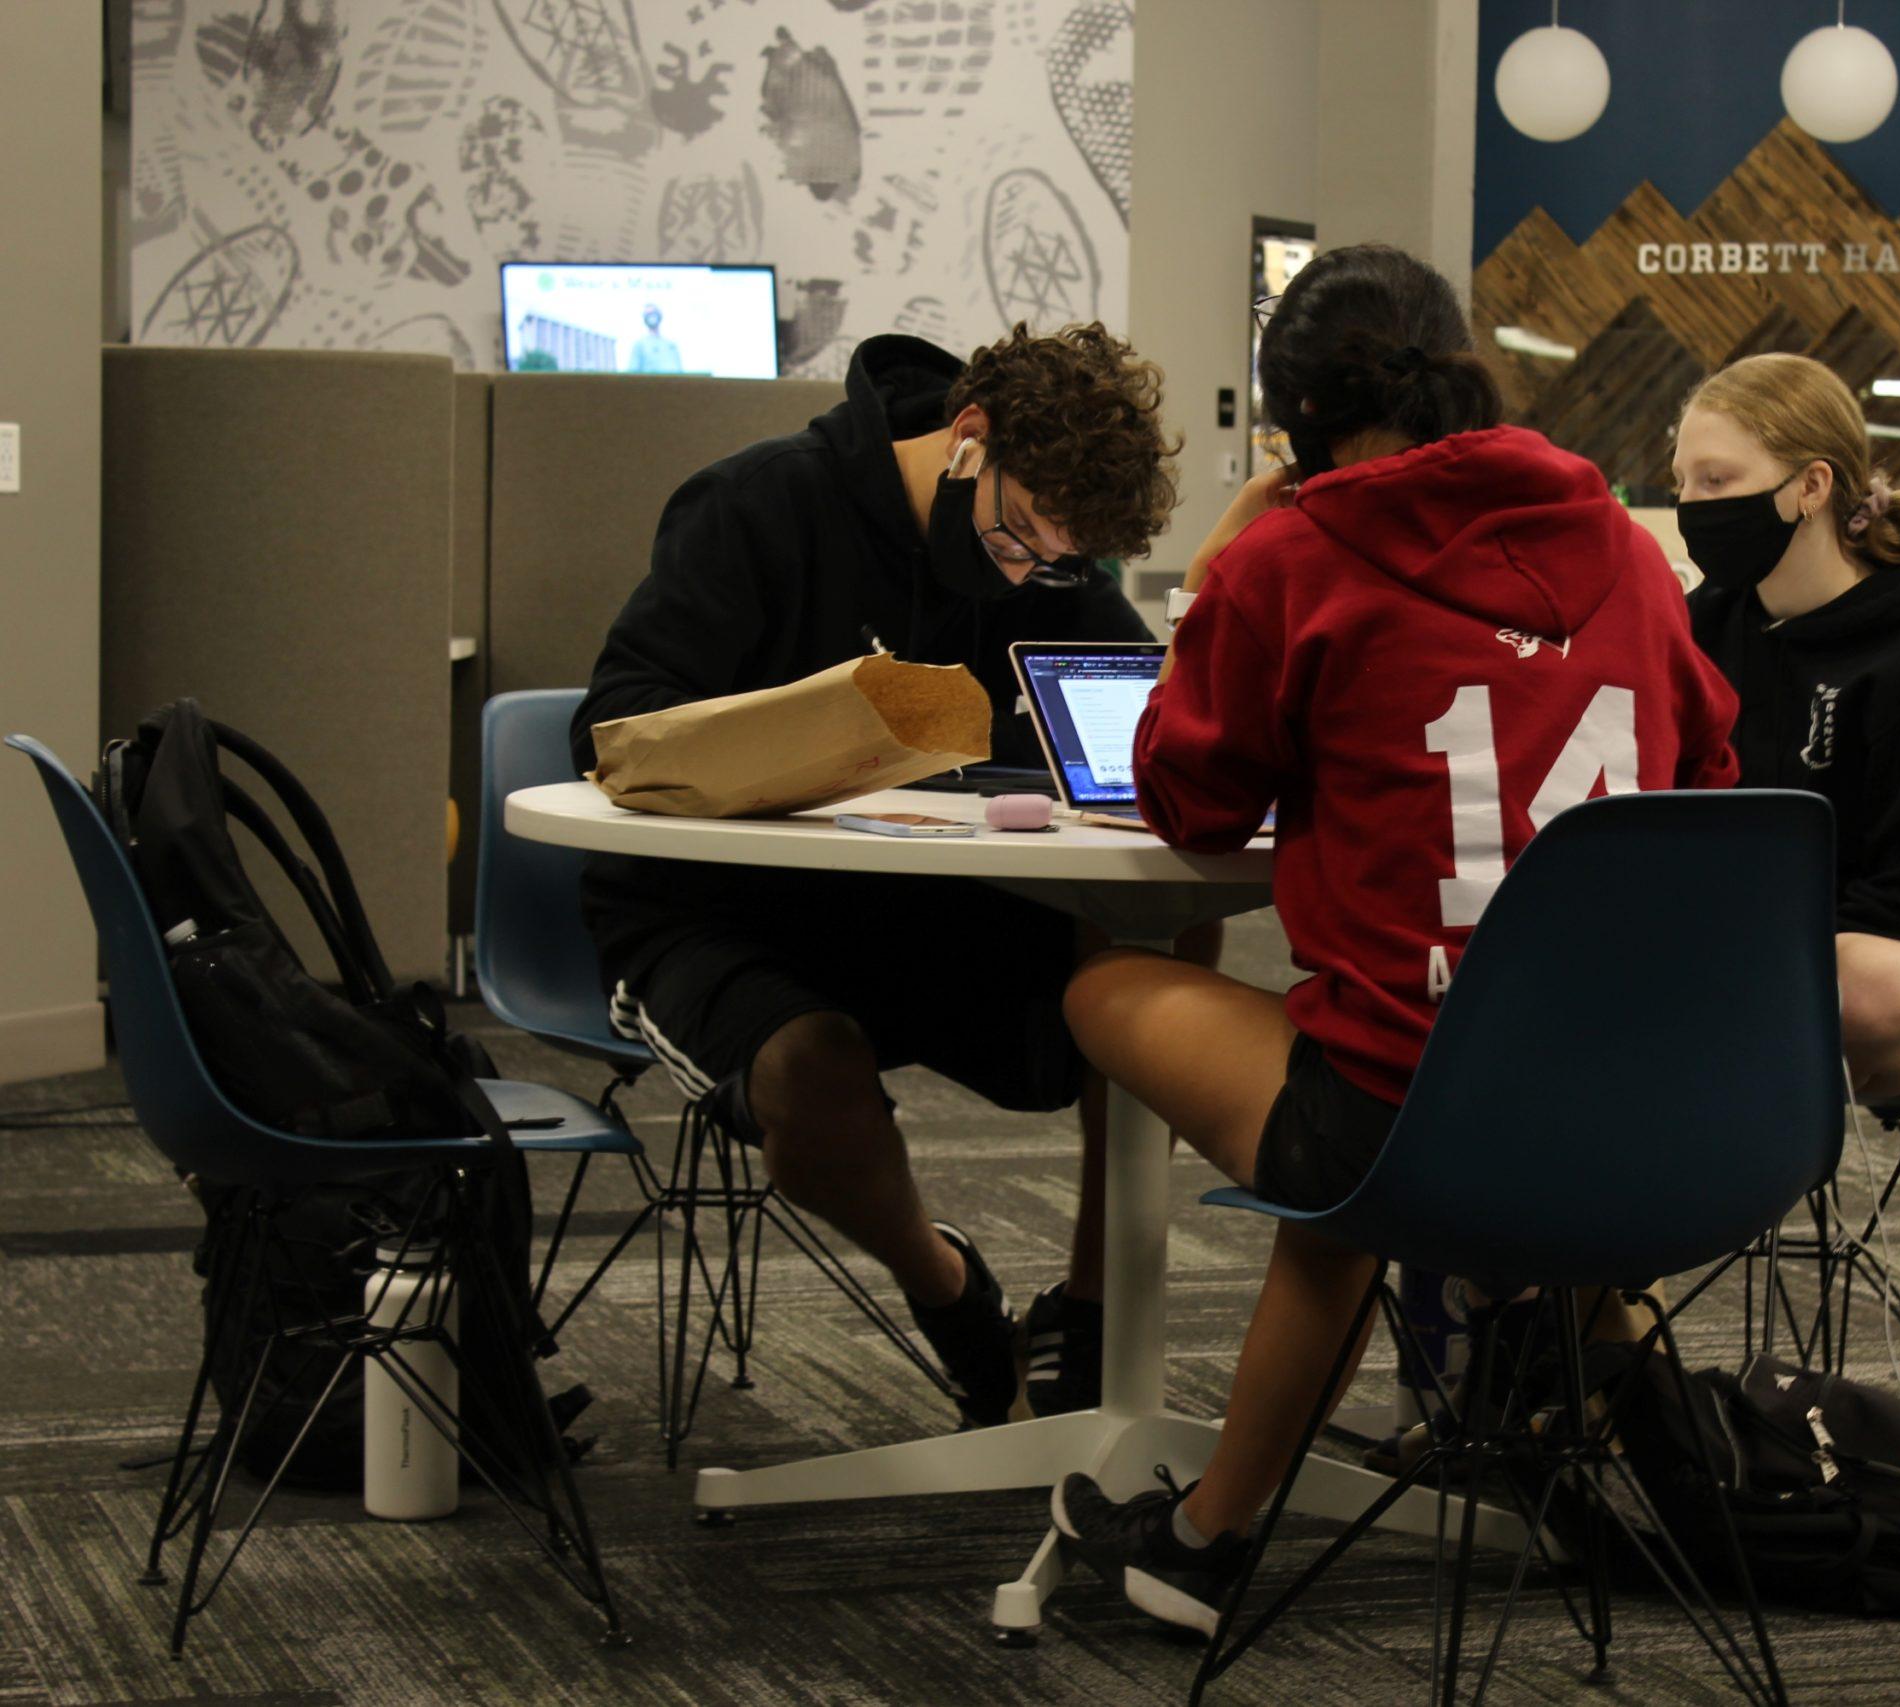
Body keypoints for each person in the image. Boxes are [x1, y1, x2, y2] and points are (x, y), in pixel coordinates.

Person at [1043, 245, 1740, 1634]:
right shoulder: (1627, 549)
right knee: (1393, 1083)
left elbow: (1188, 793)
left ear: (1290, 409)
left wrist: (1230, 565)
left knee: (1122, 985)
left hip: (1406, 1120)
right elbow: (1712, 781)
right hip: (1639, 1107)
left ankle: (1185, 1500)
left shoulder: (1293, 559)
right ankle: (1549, 1413)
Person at [570, 323, 1180, 1427]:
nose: (1033, 572)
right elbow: (615, 728)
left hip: (922, 904)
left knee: (1155, 939)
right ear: (966, 439)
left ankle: (1090, 1314)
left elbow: (1139, 718)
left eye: (1064, 560)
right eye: (1018, 538)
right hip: (714, 909)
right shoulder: (756, 506)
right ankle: (949, 1296)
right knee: (811, 1069)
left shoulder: (1048, 562)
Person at [1671, 352, 1900, 1102]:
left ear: (1811, 486)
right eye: (1682, 482)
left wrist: (1751, 948)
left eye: (1716, 480)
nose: (1691, 504)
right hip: (1752, 952)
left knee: (1855, 980)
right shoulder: (1700, 629)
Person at [627, 303, 685, 374]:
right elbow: (632, 372)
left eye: (653, 313)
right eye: (648, 315)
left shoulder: (671, 345)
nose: (652, 317)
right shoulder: (640, 345)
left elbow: (679, 370)